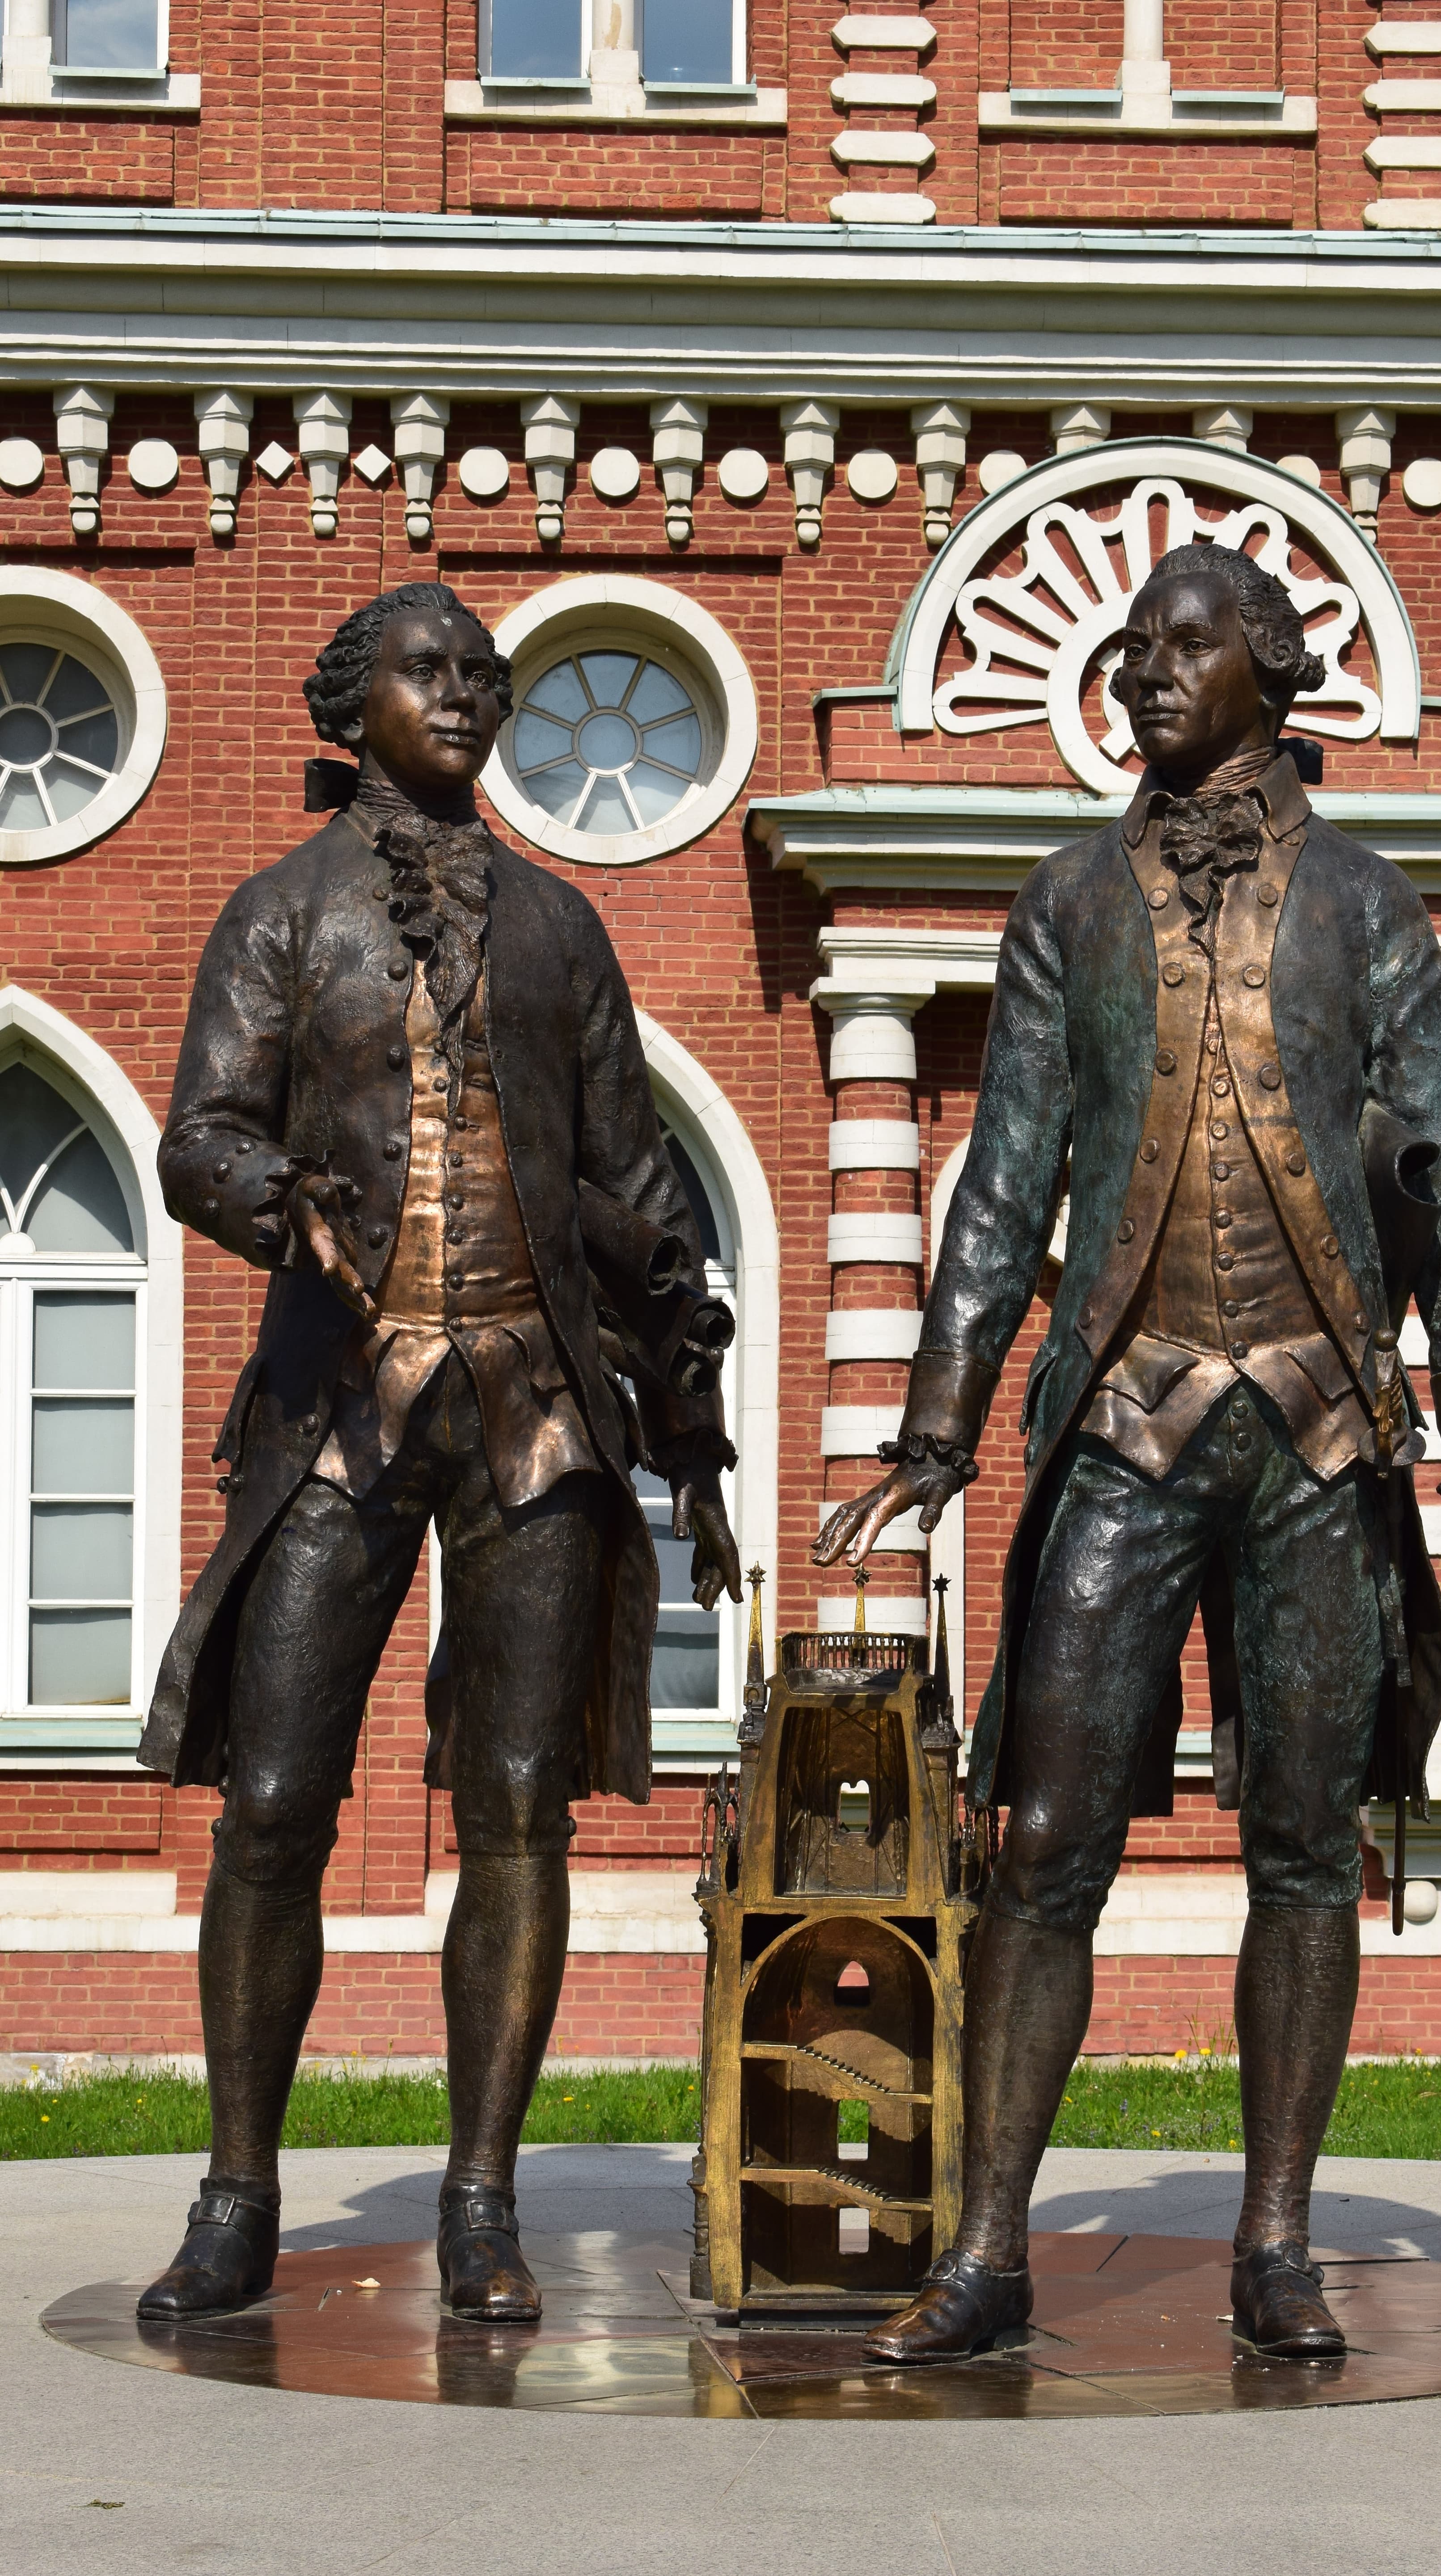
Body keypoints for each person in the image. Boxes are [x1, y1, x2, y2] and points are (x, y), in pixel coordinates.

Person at [816, 543, 1441, 2363]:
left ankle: (1275, 2243)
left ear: (1273, 676)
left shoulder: (1370, 907)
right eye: (1132, 644)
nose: (1144, 668)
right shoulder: (1071, 898)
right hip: (1125, 1427)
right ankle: (986, 2250)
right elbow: (1005, 1179)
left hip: (1313, 1438)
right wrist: (938, 1418)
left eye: (1185, 642)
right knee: (1044, 1836)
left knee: (1303, 1844)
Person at [136, 583, 740, 2323]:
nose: (470, 692)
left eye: (490, 673)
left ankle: (483, 2196)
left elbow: (634, 1184)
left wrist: (691, 1412)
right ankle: (239, 2191)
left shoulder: (560, 928)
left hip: (538, 1410)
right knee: (272, 1806)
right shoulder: (279, 913)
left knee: (520, 1811)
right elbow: (200, 1138)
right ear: (353, 704)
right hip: (342, 1404)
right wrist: (277, 1207)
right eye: (432, 669)